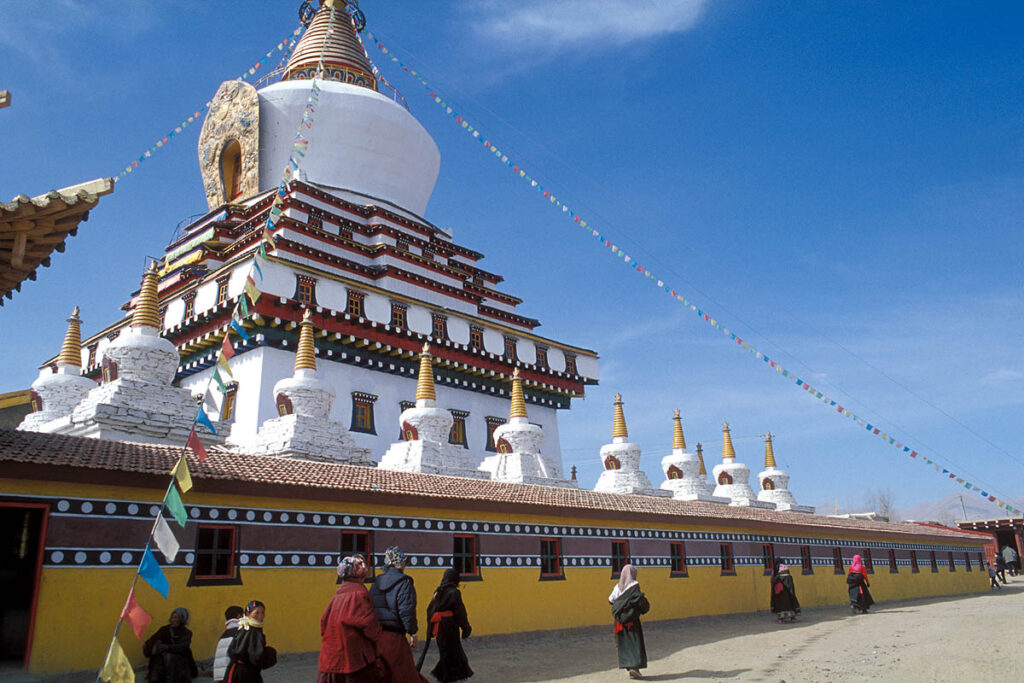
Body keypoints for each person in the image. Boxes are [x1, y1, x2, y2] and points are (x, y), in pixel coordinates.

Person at [318, 555, 383, 683]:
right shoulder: (359, 594)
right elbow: (369, 625)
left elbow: (323, 624)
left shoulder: (337, 596)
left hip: (329, 659)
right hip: (352, 660)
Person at [370, 546, 427, 683]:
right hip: (395, 637)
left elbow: (370, 608)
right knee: (403, 675)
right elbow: (406, 610)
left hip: (377, 637)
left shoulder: (376, 583)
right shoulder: (404, 582)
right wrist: (412, 632)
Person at [425, 568, 473, 682]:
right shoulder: (454, 592)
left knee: (445, 652)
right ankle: (450, 678)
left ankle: (449, 677)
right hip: (449, 626)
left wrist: (431, 627)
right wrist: (465, 627)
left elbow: (429, 610)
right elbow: (460, 612)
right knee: (453, 652)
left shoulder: (437, 592)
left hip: (439, 626)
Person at [609, 564, 649, 680]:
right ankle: (634, 668)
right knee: (634, 643)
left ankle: (629, 666)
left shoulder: (617, 587)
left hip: (619, 622)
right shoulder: (634, 586)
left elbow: (610, 600)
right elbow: (639, 601)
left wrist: (621, 607)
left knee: (623, 643)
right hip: (631, 621)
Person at [225, 600, 277, 683]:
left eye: (262, 613)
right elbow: (256, 657)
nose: (260, 616)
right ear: (248, 613)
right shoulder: (253, 631)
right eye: (256, 613)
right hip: (247, 674)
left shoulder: (243, 626)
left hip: (237, 672)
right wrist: (270, 654)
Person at [142, 607, 198, 682]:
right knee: (159, 659)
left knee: (169, 657)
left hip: (179, 662)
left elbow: (182, 647)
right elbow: (151, 641)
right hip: (162, 662)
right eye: (172, 617)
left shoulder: (187, 633)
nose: (173, 620)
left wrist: (166, 647)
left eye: (176, 617)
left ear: (182, 619)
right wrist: (150, 647)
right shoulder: (164, 630)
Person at [213, 606, 244, 683]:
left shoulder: (224, 635)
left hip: (222, 675)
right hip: (232, 674)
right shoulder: (240, 633)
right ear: (239, 616)